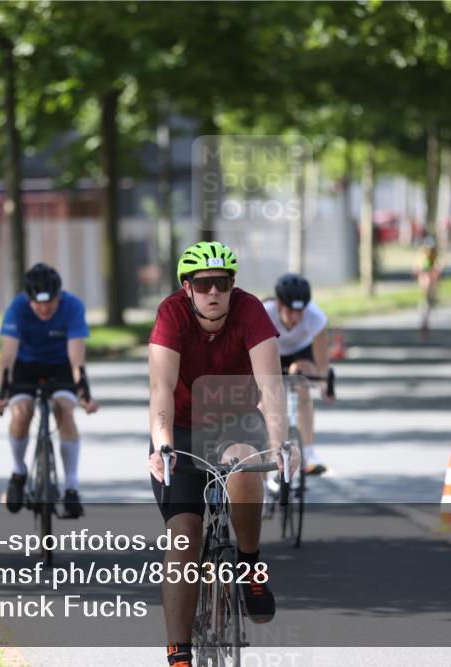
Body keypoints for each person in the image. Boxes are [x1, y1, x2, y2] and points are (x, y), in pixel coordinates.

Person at [146, 241, 294, 667]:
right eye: (204, 284)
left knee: (246, 464)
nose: (214, 292)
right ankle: (178, 651)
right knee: (185, 535)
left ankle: (249, 566)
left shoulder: (250, 312)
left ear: (233, 286)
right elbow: (160, 393)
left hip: (235, 422)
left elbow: (271, 388)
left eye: (222, 284)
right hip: (182, 429)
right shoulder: (171, 314)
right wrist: (162, 444)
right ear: (187, 288)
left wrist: (279, 441)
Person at [0, 263, 98, 518]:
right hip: (26, 366)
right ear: (28, 300)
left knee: (64, 409)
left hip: (60, 366)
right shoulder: (16, 309)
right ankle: (18, 472)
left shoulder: (73, 307)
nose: (45, 308)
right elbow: (7, 359)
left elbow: (77, 359)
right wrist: (0, 396)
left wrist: (85, 395)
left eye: (50, 302)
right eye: (38, 304)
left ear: (59, 295)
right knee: (21, 411)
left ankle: (71, 488)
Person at [263, 273, 334, 476]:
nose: (295, 317)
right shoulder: (264, 312)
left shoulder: (316, 317)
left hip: (299, 353)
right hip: (271, 351)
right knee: (267, 393)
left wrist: (324, 385)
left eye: (300, 312)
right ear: (278, 304)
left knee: (302, 382)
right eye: (290, 311)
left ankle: (309, 452)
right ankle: (265, 451)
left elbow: (321, 359)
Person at [413, 236, 442, 336]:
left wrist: (437, 272)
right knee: (425, 285)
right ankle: (424, 300)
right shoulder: (422, 252)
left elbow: (437, 265)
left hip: (431, 271)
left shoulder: (434, 253)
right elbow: (417, 266)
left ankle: (432, 300)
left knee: (432, 286)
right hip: (424, 271)